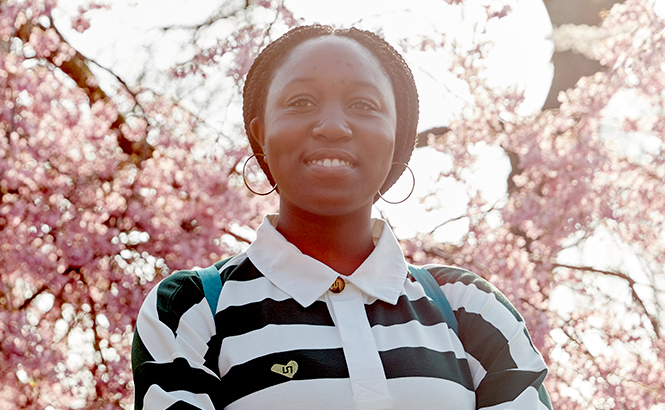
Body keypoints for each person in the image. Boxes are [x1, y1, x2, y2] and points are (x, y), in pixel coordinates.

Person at [131, 25, 552, 410]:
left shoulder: (470, 309)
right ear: (261, 134)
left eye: (363, 105)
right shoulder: (194, 308)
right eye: (300, 102)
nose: (332, 126)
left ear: (396, 138)